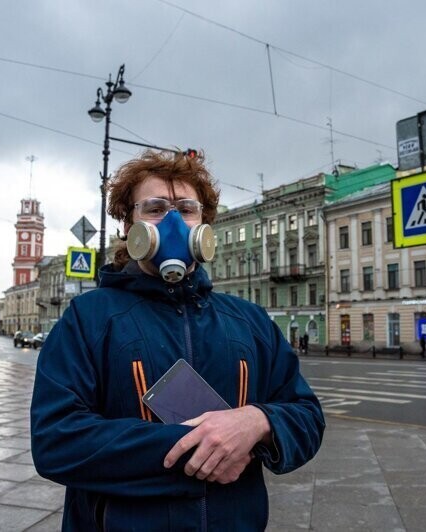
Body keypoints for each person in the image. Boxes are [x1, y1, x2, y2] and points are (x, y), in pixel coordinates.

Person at [30, 150, 325, 531]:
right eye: (154, 208)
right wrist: (202, 447)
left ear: (204, 223)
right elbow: (56, 441)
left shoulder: (248, 320)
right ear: (127, 225)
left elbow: (307, 415)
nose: (173, 222)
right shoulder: (89, 318)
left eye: (186, 209)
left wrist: (257, 422)